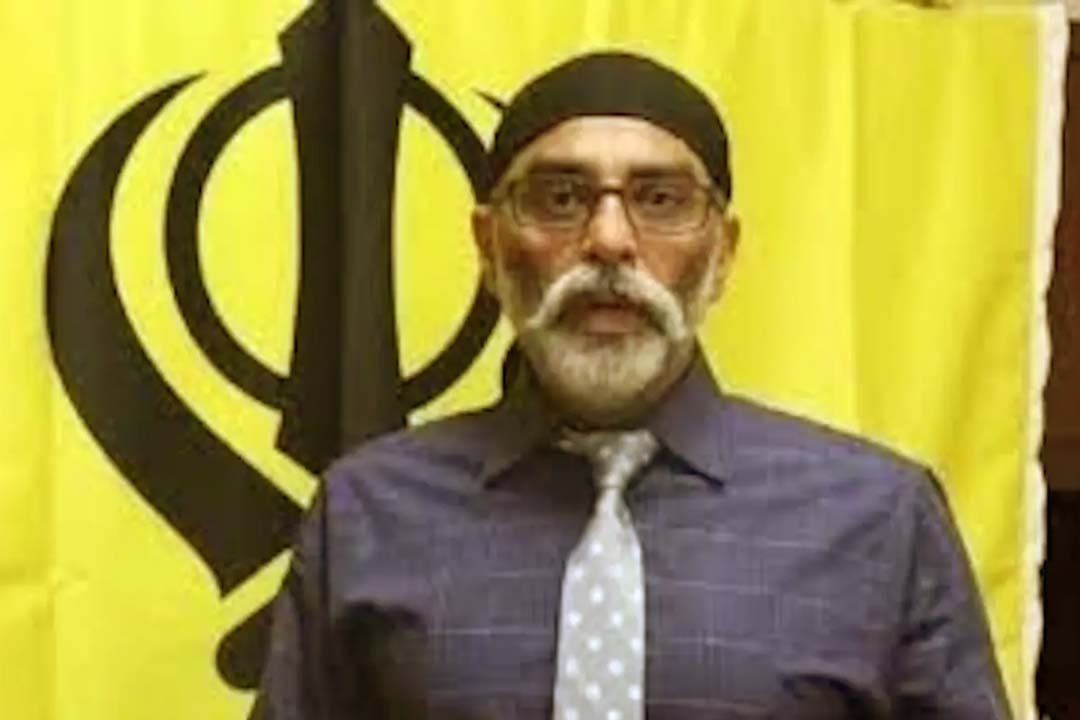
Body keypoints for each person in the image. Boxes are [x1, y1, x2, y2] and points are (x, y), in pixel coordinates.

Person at [251, 52, 1012, 719]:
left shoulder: (879, 520)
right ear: (489, 246)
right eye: (559, 197)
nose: (609, 241)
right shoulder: (367, 515)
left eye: (660, 200)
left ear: (723, 253)